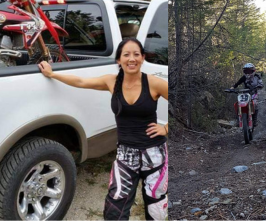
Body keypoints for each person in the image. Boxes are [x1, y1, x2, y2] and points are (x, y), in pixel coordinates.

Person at [38, 38, 168, 220]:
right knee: (115, 209)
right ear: (118, 60)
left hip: (154, 155)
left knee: (156, 208)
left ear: (143, 58)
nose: (132, 59)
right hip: (125, 155)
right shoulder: (112, 82)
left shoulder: (154, 83)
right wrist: (53, 75)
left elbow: (183, 102)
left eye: (136, 54)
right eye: (126, 54)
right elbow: (81, 82)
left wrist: (166, 128)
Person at [230, 63, 263, 127]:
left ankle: (255, 120)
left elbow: (261, 84)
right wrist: (232, 88)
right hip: (245, 93)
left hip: (254, 93)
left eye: (249, 71)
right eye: (246, 71)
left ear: (253, 71)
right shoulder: (244, 77)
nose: (248, 73)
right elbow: (237, 83)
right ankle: (238, 119)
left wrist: (259, 86)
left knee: (255, 104)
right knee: (239, 103)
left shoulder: (257, 76)